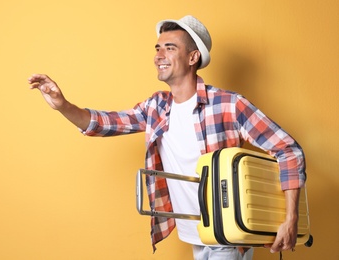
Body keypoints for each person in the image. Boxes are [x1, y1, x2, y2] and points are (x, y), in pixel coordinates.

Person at [28, 15, 306, 260]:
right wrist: (62, 104)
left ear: (193, 57)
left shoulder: (229, 104)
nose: (159, 55)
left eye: (169, 48)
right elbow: (106, 123)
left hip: (229, 234)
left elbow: (288, 150)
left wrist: (290, 218)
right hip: (194, 232)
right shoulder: (156, 107)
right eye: (157, 48)